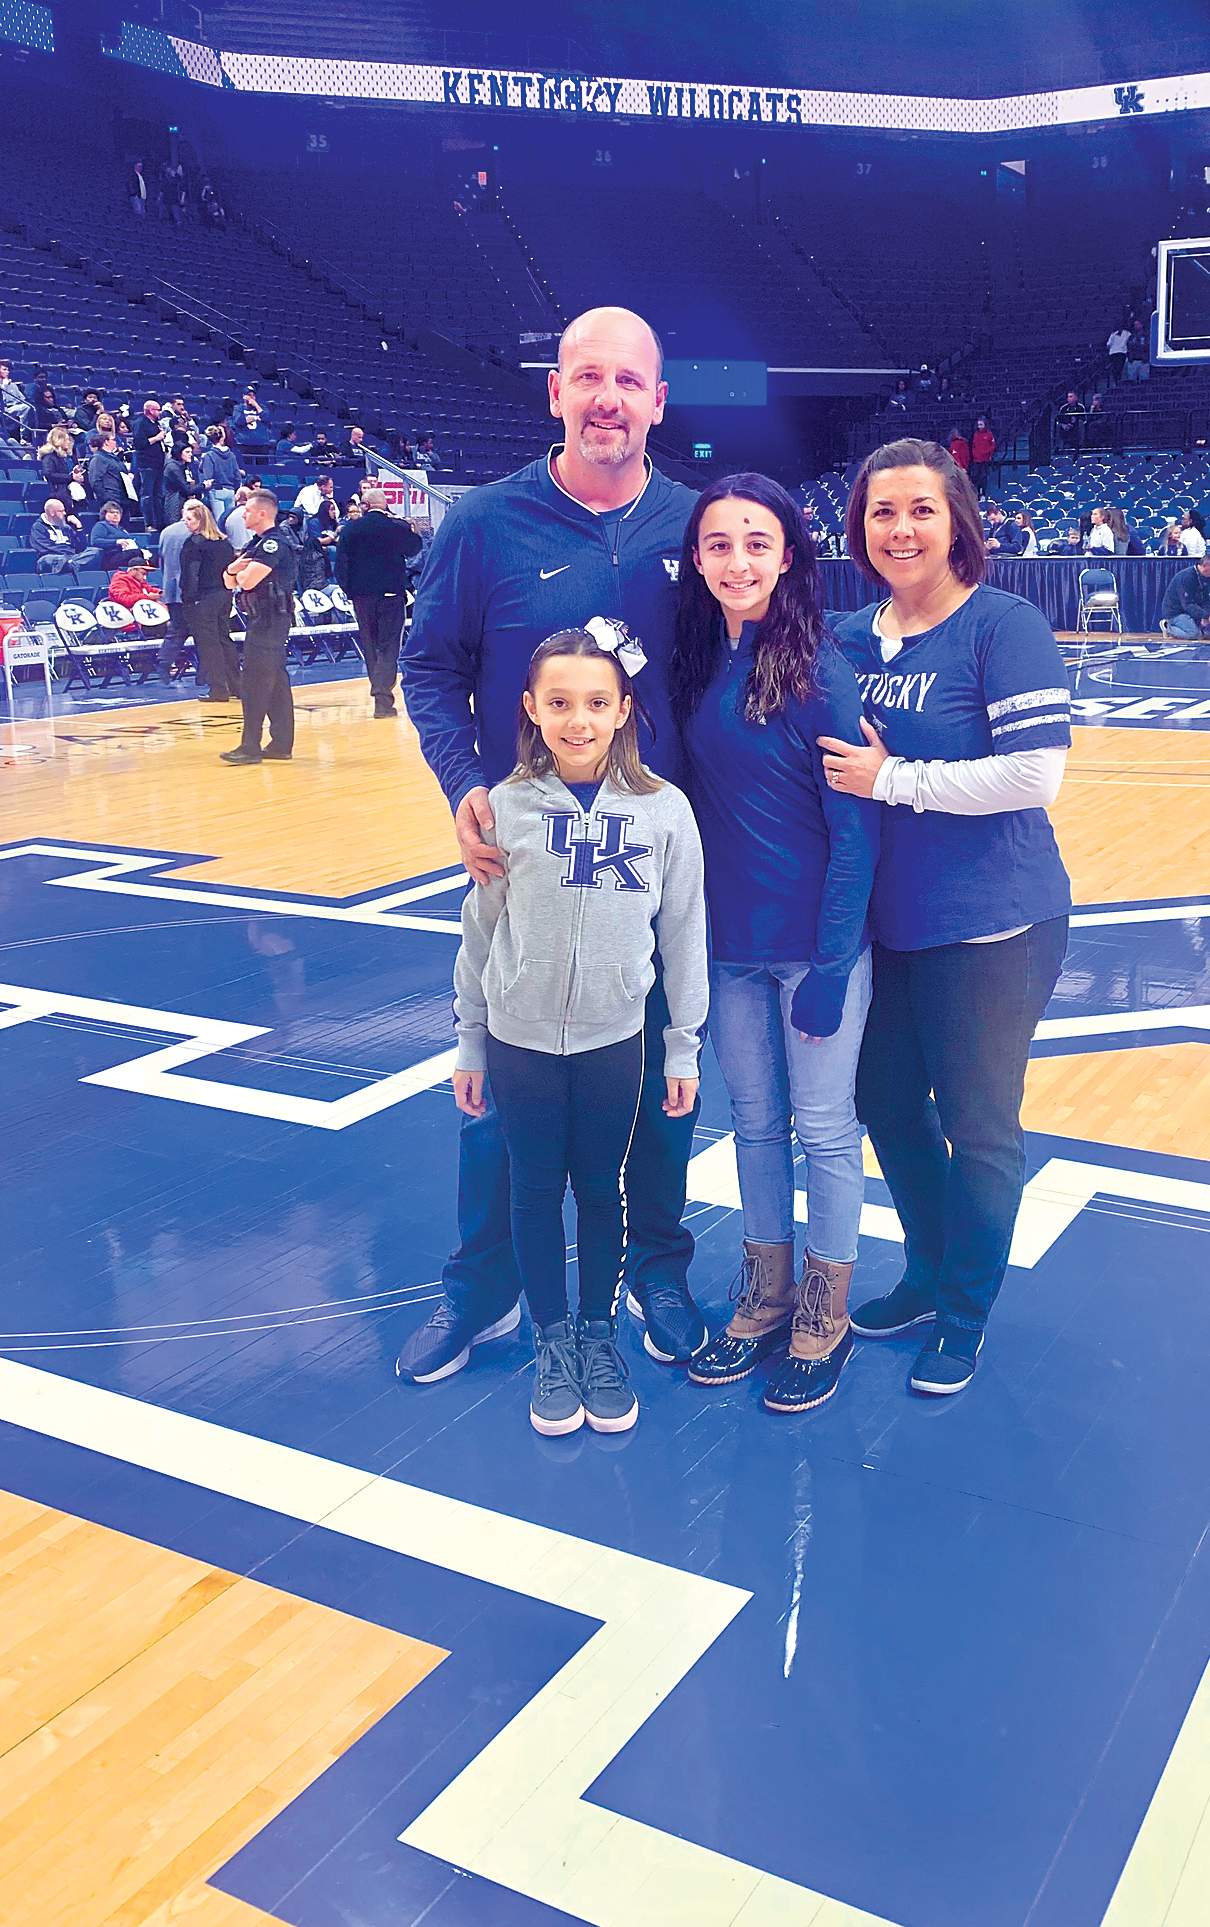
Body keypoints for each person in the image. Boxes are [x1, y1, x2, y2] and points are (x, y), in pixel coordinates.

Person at [396, 305, 704, 1387]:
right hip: (521, 861)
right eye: (587, 376)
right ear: (556, 392)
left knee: (658, 1078)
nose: (606, 398)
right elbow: (427, 666)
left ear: (657, 400)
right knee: (498, 1093)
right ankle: (482, 1287)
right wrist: (463, 783)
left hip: (647, 859)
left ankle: (657, 1270)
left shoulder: (697, 525)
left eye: (627, 380)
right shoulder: (484, 521)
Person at [820, 437, 1072, 1397]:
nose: (900, 529)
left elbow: (1033, 775)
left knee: (980, 1124)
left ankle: (963, 1310)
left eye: (920, 509)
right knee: (883, 1101)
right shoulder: (849, 637)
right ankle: (927, 1271)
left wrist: (894, 779)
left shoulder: (1002, 625)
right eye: (881, 512)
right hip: (889, 925)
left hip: (993, 924)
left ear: (955, 519)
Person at [453, 627, 707, 1437]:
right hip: (518, 1040)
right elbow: (480, 930)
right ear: (531, 708)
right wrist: (470, 1038)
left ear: (623, 709)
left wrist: (682, 1045)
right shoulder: (505, 809)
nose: (578, 720)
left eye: (597, 703)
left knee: (602, 1190)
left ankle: (598, 1336)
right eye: (559, 702)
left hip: (613, 1038)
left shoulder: (664, 811)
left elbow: (684, 935)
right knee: (532, 1188)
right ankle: (551, 1340)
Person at [672, 474, 877, 1413]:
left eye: (757, 543)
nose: (737, 561)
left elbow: (855, 830)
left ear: (787, 556)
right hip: (727, 950)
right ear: (696, 558)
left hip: (811, 950)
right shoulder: (694, 660)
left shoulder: (819, 671)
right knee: (753, 1126)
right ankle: (764, 1298)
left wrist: (832, 966)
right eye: (718, 544)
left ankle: (824, 1316)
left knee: (824, 1130)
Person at [221, 489, 300, 762]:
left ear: (263, 513)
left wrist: (236, 571)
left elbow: (246, 581)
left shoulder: (273, 544)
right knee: (276, 681)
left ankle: (250, 746)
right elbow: (228, 580)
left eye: (248, 510)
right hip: (261, 617)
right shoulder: (256, 543)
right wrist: (233, 571)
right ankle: (281, 744)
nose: (243, 514)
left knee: (255, 681)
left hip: (271, 618)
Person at [335, 489, 420, 718]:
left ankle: (379, 694)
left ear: (365, 505)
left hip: (362, 597)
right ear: (384, 505)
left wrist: (351, 592)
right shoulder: (396, 527)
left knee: (370, 645)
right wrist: (414, 531)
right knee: (389, 646)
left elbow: (341, 566)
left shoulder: (351, 529)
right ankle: (382, 697)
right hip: (391, 594)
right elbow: (414, 548)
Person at [179, 499, 241, 702]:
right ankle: (237, 686)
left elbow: (191, 574)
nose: (186, 523)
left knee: (208, 644)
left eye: (189, 519)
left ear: (200, 521)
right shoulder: (224, 544)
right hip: (224, 595)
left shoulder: (194, 544)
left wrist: (188, 599)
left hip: (204, 598)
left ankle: (218, 689)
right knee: (224, 639)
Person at [156, 502, 195, 682]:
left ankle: (164, 663)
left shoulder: (166, 532)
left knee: (176, 630)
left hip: (171, 589)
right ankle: (206, 673)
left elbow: (162, 562)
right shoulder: (198, 532)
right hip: (192, 591)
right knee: (202, 631)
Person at [30, 499, 100, 575]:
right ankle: (72, 565)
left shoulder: (66, 527)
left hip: (70, 557)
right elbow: (44, 548)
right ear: (52, 512)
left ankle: (69, 566)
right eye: (61, 511)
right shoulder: (38, 527)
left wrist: (78, 527)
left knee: (95, 551)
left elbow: (81, 547)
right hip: (50, 558)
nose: (64, 513)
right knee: (59, 559)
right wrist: (66, 554)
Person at [1162, 554, 1210, 638]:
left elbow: (1206, 598)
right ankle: (1167, 627)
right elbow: (1187, 604)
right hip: (1176, 612)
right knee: (1194, 634)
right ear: (1205, 566)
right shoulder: (1186, 577)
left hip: (1189, 607)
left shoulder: (1204, 577)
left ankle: (1198, 628)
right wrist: (1207, 616)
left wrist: (1205, 615)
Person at [199, 425, 242, 524]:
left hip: (217, 490)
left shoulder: (209, 455)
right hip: (230, 491)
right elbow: (237, 476)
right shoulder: (231, 455)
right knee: (229, 521)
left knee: (219, 522)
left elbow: (208, 477)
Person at [89, 500, 145, 572]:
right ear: (105, 514)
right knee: (136, 553)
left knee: (154, 559)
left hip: (124, 554)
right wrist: (116, 542)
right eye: (112, 512)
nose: (115, 514)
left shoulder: (121, 529)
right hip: (109, 557)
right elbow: (94, 541)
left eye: (117, 513)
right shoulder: (101, 525)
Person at [0, 360, 32, 440]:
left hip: (15, 407)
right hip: (4, 409)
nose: (7, 372)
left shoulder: (12, 385)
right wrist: (4, 386)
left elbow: (22, 398)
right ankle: (24, 436)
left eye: (8, 370)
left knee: (30, 407)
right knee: (25, 408)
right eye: (4, 369)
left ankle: (30, 436)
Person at [87, 432, 133, 513]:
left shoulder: (114, 458)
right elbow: (95, 481)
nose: (115, 442)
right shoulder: (98, 459)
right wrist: (105, 499)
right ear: (106, 442)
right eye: (113, 440)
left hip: (122, 499)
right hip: (111, 500)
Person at [37, 425, 81, 505]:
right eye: (66, 440)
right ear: (58, 440)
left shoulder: (70, 456)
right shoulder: (49, 456)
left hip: (72, 490)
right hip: (58, 492)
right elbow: (49, 475)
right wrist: (71, 477)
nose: (68, 442)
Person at [161, 443, 200, 523]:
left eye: (191, 452)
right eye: (187, 452)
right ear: (179, 453)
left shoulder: (186, 466)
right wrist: (203, 486)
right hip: (175, 504)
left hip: (183, 502)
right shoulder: (172, 467)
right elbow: (185, 488)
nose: (190, 454)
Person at [969, 414, 995, 494]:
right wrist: (975, 455)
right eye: (978, 425)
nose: (979, 426)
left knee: (984, 476)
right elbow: (974, 446)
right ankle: (976, 492)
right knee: (976, 476)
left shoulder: (989, 434)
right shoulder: (976, 434)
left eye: (981, 424)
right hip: (977, 459)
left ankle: (983, 492)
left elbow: (992, 446)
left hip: (985, 459)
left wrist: (987, 452)